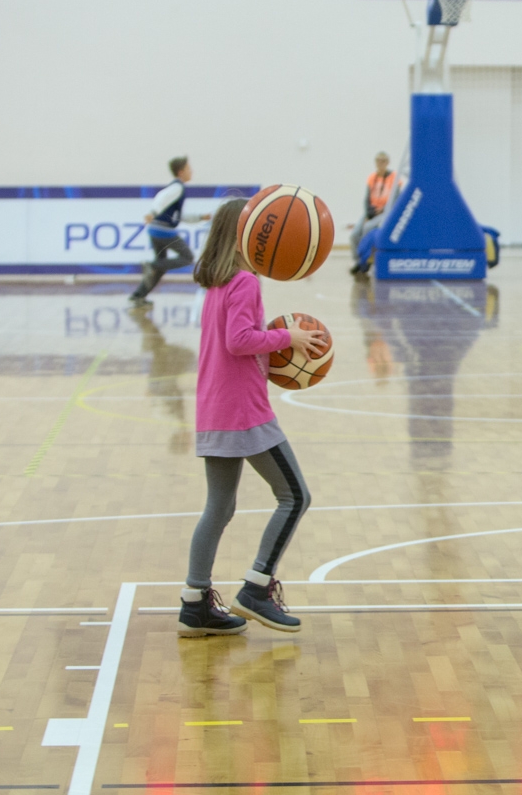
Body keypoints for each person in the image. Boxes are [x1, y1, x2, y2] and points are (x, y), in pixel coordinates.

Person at [177, 198, 324, 638]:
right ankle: (257, 587)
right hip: (244, 413)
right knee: (295, 497)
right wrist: (287, 337)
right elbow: (239, 340)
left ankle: (194, 604)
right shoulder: (243, 281)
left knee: (219, 508)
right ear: (245, 236)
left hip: (214, 410)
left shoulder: (216, 285)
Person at [129, 156, 210, 305]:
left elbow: (177, 216)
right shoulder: (177, 187)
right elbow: (162, 199)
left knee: (161, 266)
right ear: (180, 172)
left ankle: (138, 296)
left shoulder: (175, 188)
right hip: (163, 232)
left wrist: (200, 217)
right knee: (187, 257)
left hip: (156, 231)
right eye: (188, 169)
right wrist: (153, 212)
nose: (191, 171)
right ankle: (152, 265)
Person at [350, 152, 400, 276]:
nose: (380, 164)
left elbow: (395, 200)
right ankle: (357, 261)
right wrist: (368, 214)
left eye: (383, 161)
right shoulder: (372, 178)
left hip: (385, 212)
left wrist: (382, 210)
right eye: (378, 161)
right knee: (355, 234)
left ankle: (365, 260)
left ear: (387, 162)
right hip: (371, 211)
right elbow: (366, 199)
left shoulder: (395, 178)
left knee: (367, 228)